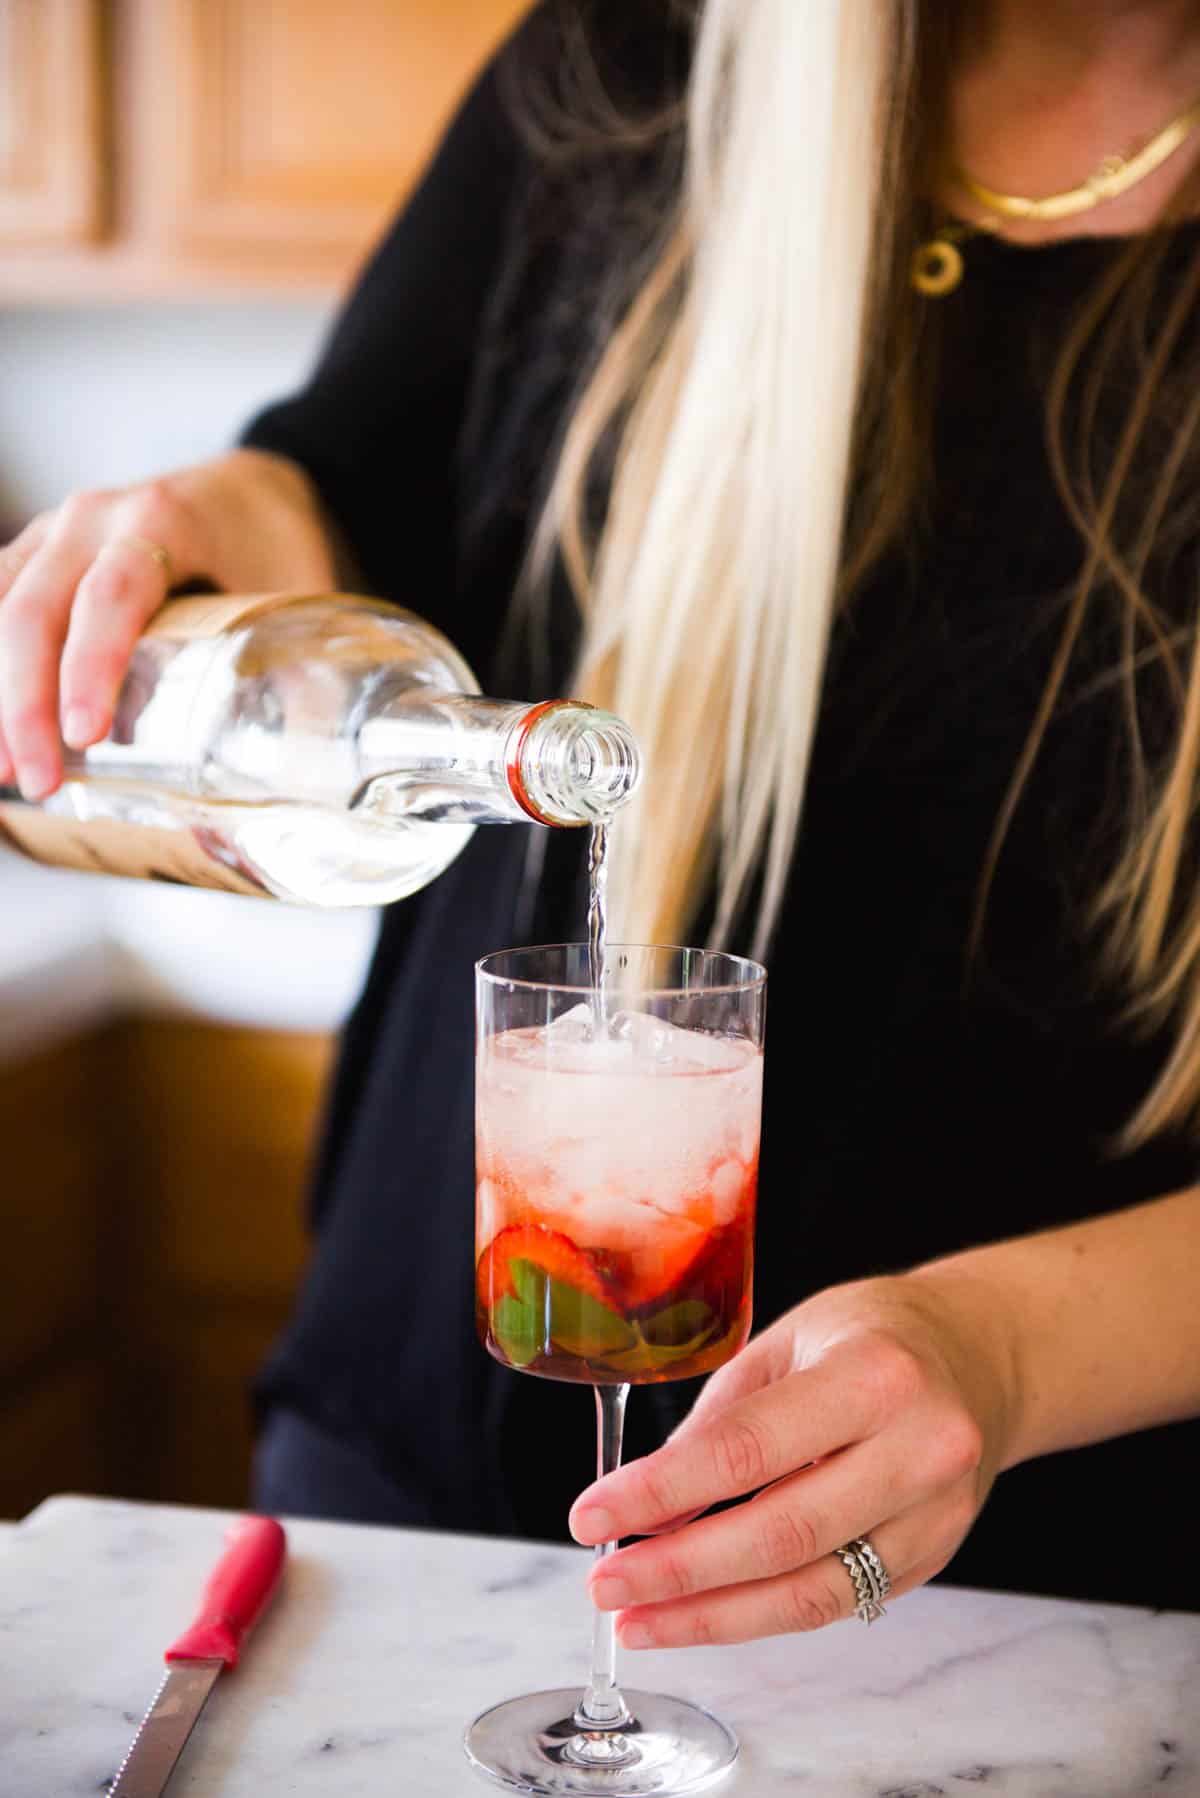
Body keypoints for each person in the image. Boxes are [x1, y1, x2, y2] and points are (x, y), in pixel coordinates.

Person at [2, 0, 1199, 1646]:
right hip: (392, 1483)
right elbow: (329, 491)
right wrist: (199, 527)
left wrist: (1002, 1350)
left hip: (991, 1606)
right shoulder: (624, 65)